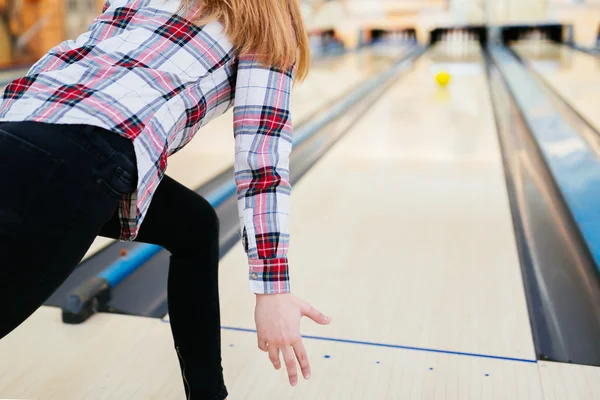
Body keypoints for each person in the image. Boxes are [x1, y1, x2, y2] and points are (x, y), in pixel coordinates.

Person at [0, 0, 332, 398]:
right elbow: (261, 156)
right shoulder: (268, 22)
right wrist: (272, 290)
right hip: (81, 155)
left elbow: (78, 58)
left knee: (193, 225)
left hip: (17, 124)